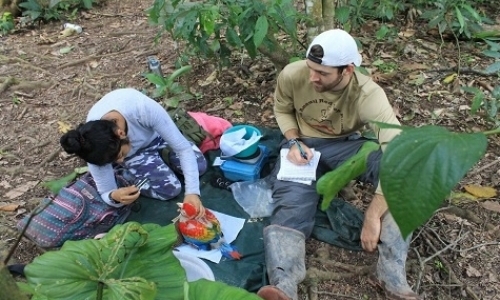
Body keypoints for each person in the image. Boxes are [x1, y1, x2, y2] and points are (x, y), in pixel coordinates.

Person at [257, 29, 422, 300]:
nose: (313, 77)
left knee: (404, 178)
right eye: (311, 69)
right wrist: (293, 140)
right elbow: (282, 109)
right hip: (303, 146)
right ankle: (284, 284)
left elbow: (398, 154)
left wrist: (372, 214)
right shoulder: (292, 74)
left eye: (322, 73)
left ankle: (392, 276)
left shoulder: (367, 93)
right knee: (292, 201)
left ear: (347, 70)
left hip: (347, 146)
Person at [60, 88, 207, 215]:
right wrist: (115, 196)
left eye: (120, 156)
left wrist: (192, 192)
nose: (119, 161)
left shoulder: (141, 109)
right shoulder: (92, 146)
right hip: (136, 155)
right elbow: (105, 192)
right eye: (112, 162)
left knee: (199, 166)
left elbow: (183, 149)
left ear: (121, 134)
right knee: (170, 190)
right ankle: (125, 174)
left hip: (157, 138)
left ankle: (155, 161)